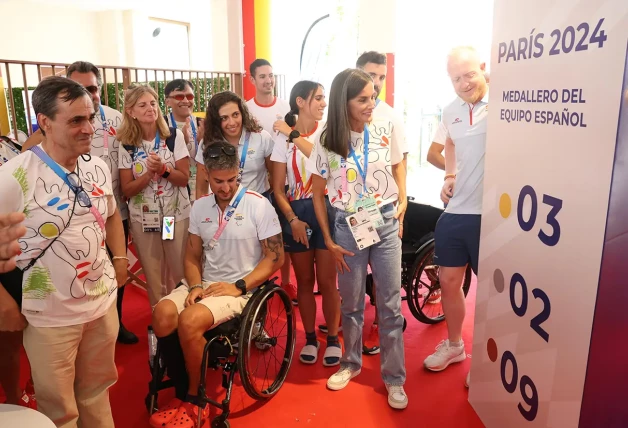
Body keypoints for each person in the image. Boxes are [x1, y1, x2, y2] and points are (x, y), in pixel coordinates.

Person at [0, 76, 128, 427]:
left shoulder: (97, 165)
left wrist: (119, 258)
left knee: (97, 390)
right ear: (45, 122)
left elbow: (113, 216)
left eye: (90, 117)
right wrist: (3, 300)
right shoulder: (13, 177)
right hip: (49, 315)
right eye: (75, 120)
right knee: (58, 408)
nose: (88, 128)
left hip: (102, 305)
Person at [148, 140, 284, 428]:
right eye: (218, 181)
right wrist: (195, 286)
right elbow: (191, 256)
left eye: (232, 179)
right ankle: (183, 389)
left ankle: (197, 400)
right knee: (161, 315)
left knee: (189, 320)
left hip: (240, 288)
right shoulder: (199, 208)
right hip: (204, 283)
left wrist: (239, 286)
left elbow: (275, 258)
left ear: (239, 173)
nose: (226, 187)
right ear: (207, 176)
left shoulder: (259, 206)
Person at [307, 68, 408, 409]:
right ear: (343, 102)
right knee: (350, 305)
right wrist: (329, 240)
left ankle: (394, 379)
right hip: (347, 227)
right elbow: (318, 194)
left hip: (385, 222)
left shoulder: (384, 128)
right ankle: (350, 363)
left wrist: (404, 200)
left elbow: (398, 165)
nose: (371, 103)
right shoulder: (326, 140)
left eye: (373, 96)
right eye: (362, 99)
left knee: (390, 305)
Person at [21, 61, 137, 344]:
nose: (90, 95)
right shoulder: (46, 133)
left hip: (110, 207)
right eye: (81, 89)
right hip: (63, 214)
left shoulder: (115, 119)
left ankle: (114, 320)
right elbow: (28, 157)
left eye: (93, 89)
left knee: (111, 269)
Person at [422, 46, 489, 389]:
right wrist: (449, 175)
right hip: (456, 212)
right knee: (448, 281)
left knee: (492, 294)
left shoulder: (508, 102)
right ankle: (455, 346)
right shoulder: (450, 110)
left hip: (492, 215)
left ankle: (488, 363)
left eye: (469, 75)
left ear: (483, 68)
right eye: (456, 79)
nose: (464, 84)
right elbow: (448, 144)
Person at [271, 81, 341, 366]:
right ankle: (310, 338)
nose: (324, 103)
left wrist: (292, 133)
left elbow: (320, 158)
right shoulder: (281, 140)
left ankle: (334, 339)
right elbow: (277, 188)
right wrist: (292, 219)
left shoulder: (328, 133)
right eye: (319, 98)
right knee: (304, 282)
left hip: (325, 209)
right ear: (300, 101)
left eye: (325, 98)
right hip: (296, 214)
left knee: (327, 281)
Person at [118, 85, 191, 308]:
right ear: (131, 112)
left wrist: (163, 170)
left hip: (171, 216)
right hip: (145, 219)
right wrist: (148, 175)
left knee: (177, 270)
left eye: (152, 103)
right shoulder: (126, 144)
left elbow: (184, 178)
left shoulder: (172, 136)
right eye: (143, 105)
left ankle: (184, 317)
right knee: (153, 273)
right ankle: (161, 321)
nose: (150, 109)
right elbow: (127, 190)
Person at [246, 58, 295, 302]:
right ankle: (258, 280)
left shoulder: (286, 107)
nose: (268, 80)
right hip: (255, 184)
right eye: (263, 76)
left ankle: (286, 282)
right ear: (252, 80)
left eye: (271, 75)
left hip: (282, 181)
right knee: (258, 236)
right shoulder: (245, 110)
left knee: (281, 232)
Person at [164, 79, 204, 202]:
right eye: (179, 96)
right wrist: (181, 144)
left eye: (190, 96)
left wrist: (202, 143)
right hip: (170, 194)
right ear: (167, 102)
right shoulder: (161, 126)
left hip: (199, 191)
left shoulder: (202, 124)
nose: (186, 101)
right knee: (169, 222)